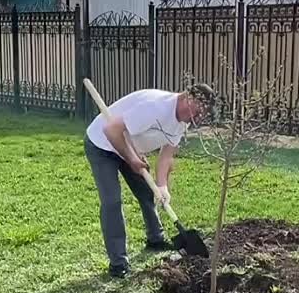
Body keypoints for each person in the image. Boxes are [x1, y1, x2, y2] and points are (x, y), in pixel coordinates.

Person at [84, 84, 215, 278]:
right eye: (198, 111)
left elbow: (166, 155)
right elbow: (111, 130)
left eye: (202, 115)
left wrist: (162, 186)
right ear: (187, 98)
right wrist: (132, 159)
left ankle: (156, 238)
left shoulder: (182, 122)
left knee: (147, 192)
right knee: (112, 201)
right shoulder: (154, 107)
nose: (198, 118)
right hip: (102, 144)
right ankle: (118, 263)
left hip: (129, 146)